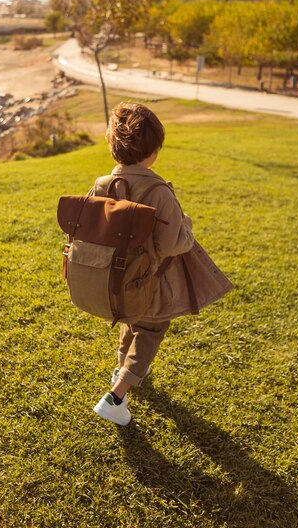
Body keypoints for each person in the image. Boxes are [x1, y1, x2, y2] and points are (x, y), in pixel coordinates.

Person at [92, 102, 233, 425]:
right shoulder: (158, 191)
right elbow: (171, 245)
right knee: (151, 330)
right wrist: (185, 226)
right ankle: (116, 396)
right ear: (154, 151)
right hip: (149, 280)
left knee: (131, 320)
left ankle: (121, 367)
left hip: (114, 281)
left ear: (113, 148)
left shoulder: (101, 184)